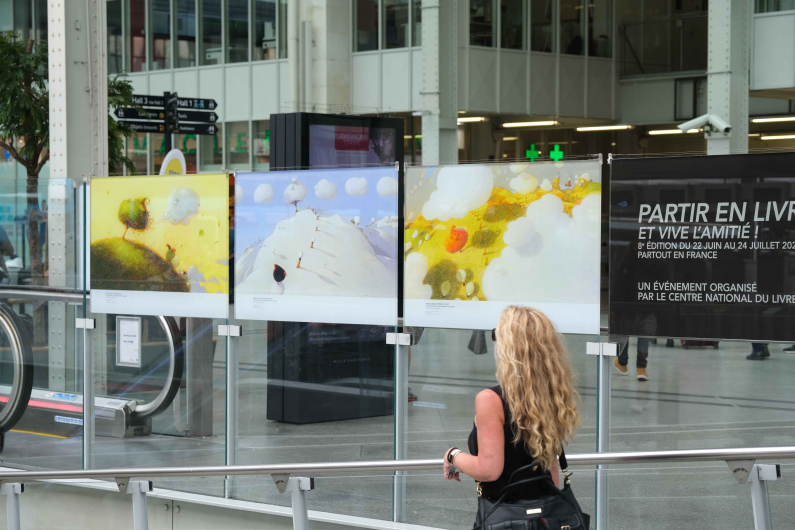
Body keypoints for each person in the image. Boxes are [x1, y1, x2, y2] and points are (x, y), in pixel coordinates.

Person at [442, 306, 580, 516]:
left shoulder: (491, 400)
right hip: (544, 515)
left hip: (506, 516)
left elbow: (488, 470)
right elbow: (551, 467)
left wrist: (452, 455)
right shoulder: (552, 393)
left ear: (509, 348)